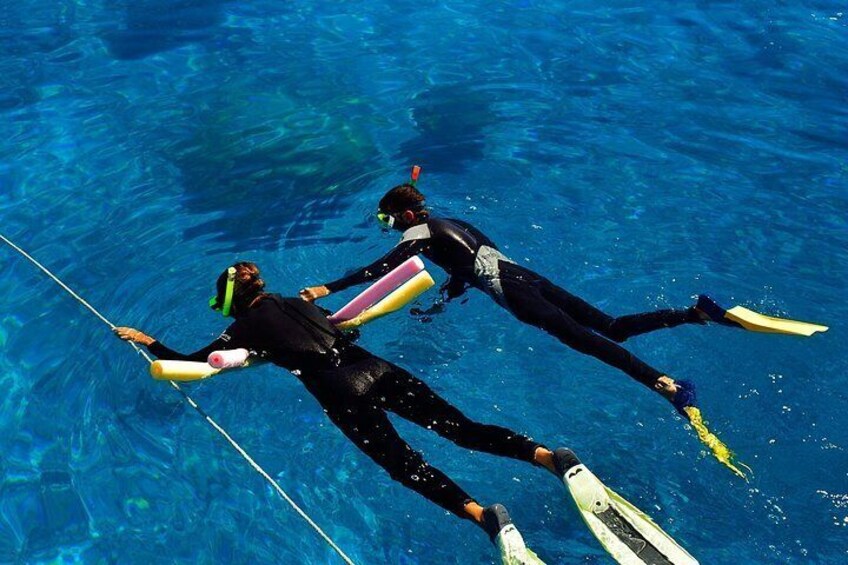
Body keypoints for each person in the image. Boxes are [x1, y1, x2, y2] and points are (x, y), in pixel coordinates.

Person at [113, 262, 582, 556]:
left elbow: (190, 364)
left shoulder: (243, 329)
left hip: (341, 390)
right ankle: (549, 458)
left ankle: (484, 516)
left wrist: (147, 340)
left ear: (232, 304)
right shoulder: (296, 301)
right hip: (373, 366)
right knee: (460, 427)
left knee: (404, 465)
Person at [299, 178, 750, 477]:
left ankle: (667, 387)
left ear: (404, 215)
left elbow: (379, 270)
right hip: (528, 277)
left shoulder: (416, 235)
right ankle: (696, 313)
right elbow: (467, 267)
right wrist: (444, 300)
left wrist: (327, 288)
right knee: (610, 326)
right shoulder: (453, 223)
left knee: (589, 343)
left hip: (516, 294)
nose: (388, 228)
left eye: (387, 219)